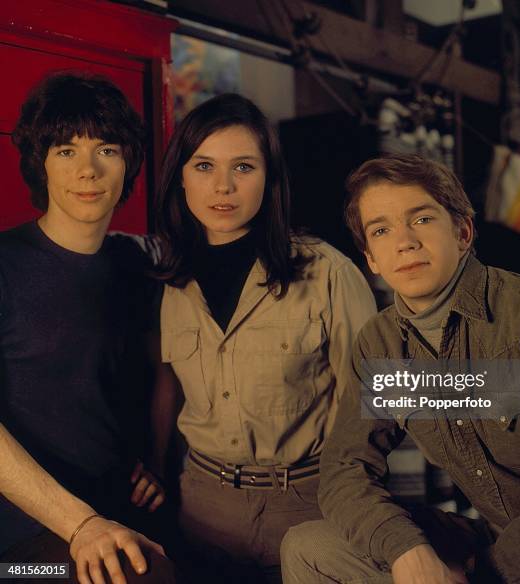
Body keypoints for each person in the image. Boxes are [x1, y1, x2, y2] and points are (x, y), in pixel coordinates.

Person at [281, 154, 520, 584]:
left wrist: (479, 573)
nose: (404, 242)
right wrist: (406, 550)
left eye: (420, 219)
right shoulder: (381, 345)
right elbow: (345, 472)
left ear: (462, 231)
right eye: (381, 230)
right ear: (372, 259)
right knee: (309, 547)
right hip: (496, 535)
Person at [152, 93, 377, 582]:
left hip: (306, 506)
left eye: (244, 167)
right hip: (200, 510)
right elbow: (165, 387)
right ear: (181, 176)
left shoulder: (328, 273)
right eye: (205, 165)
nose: (223, 186)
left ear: (269, 178)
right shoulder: (170, 281)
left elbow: (373, 399)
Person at [0, 72, 177, 584]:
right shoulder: (5, 266)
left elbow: (162, 367)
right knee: (142, 576)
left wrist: (154, 459)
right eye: (65, 151)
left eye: (107, 150)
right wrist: (82, 526)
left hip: (111, 512)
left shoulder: (134, 264)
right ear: (42, 165)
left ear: (128, 164)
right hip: (17, 545)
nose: (88, 170)